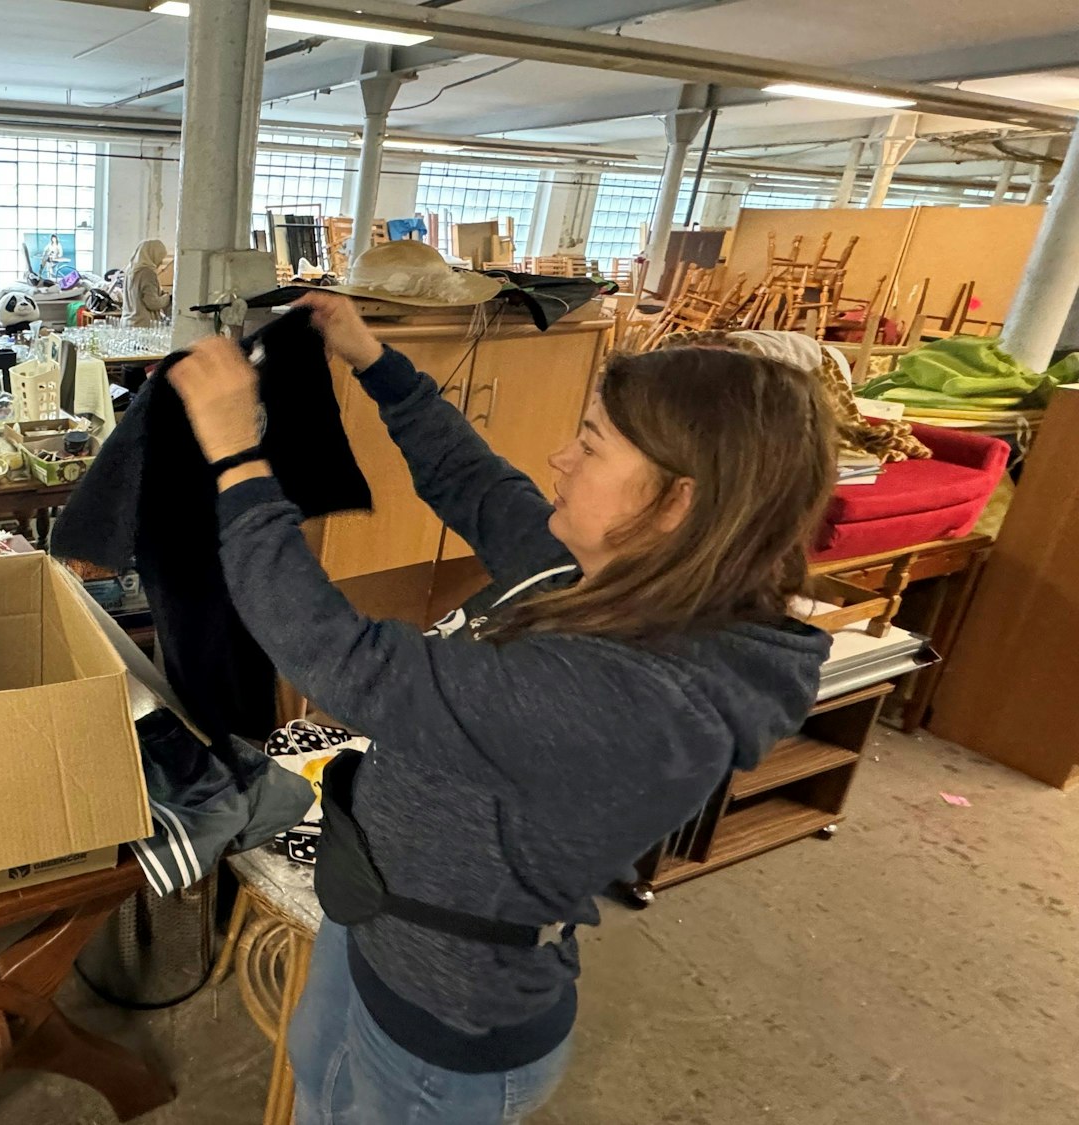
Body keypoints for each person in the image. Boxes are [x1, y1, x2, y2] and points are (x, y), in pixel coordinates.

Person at [166, 291, 837, 1124]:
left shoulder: (632, 695)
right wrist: (375, 362)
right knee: (318, 1073)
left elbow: (340, 656)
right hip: (379, 918)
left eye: (591, 446)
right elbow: (477, 486)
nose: (561, 458)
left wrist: (236, 457)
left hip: (441, 1027)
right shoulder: (621, 583)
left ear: (677, 503)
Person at [124, 239, 174, 327]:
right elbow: (152, 303)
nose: (161, 262)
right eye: (160, 257)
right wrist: (168, 297)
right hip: (143, 325)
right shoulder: (147, 273)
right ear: (153, 255)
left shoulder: (130, 271)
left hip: (128, 322)